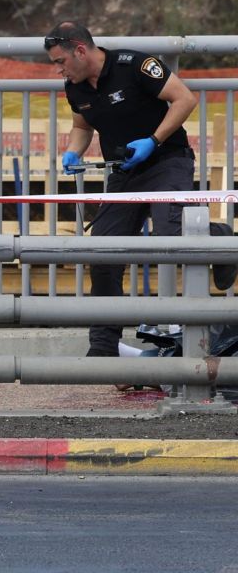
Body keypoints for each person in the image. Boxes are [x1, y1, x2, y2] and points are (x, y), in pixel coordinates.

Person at [46, 20, 237, 359]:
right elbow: (82, 126)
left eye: (61, 61)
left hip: (167, 161)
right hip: (124, 173)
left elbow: (184, 99)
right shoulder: (74, 87)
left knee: (172, 229)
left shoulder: (134, 65)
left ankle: (221, 238)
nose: (58, 69)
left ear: (80, 50)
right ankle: (103, 346)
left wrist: (153, 140)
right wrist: (73, 151)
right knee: (102, 252)